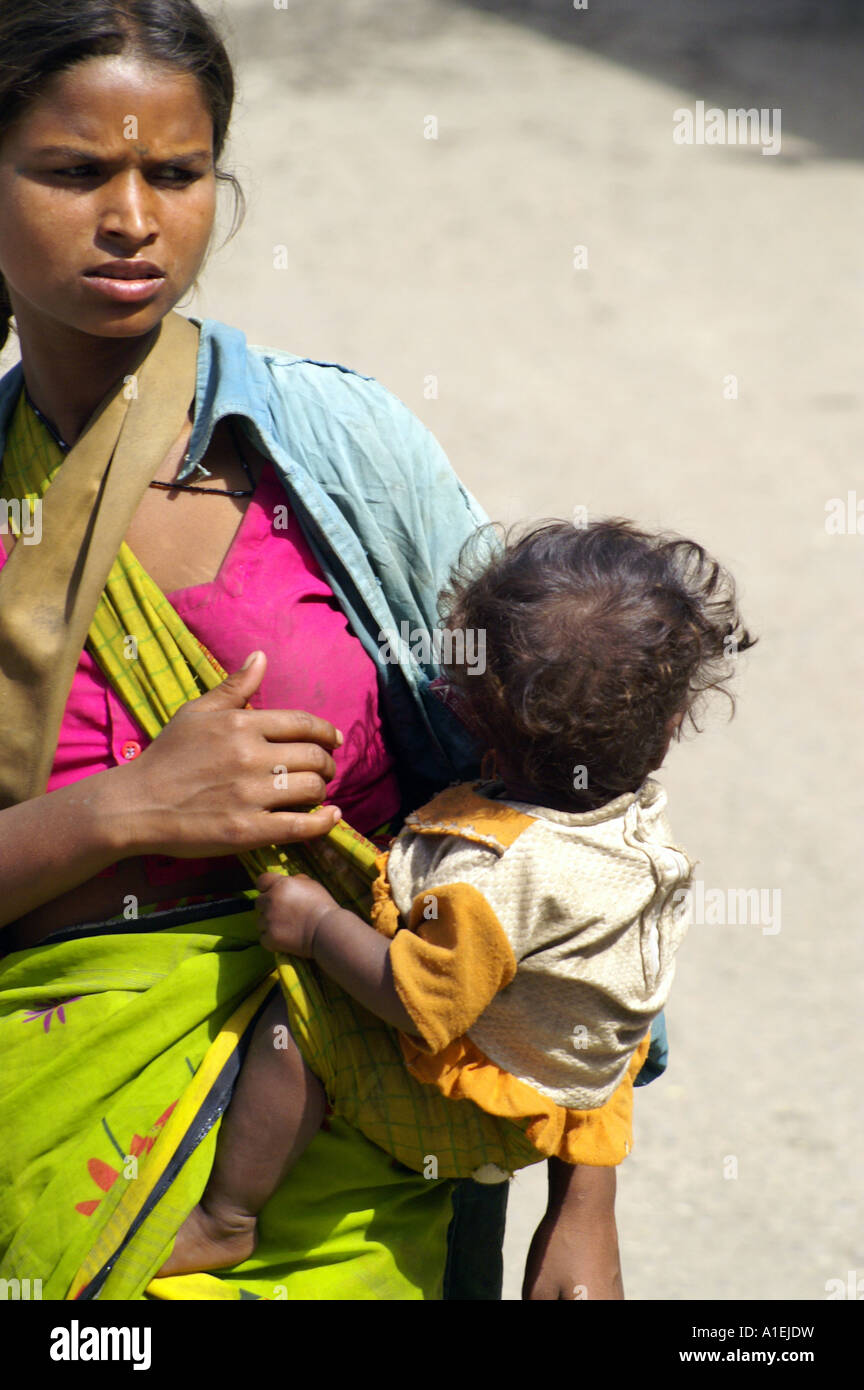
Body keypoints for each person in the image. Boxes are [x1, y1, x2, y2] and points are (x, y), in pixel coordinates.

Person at [0, 0, 668, 1301]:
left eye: (176, 174)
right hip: (55, 1140)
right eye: (76, 171)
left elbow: (573, 813)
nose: (133, 216)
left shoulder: (342, 453)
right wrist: (123, 811)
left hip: (363, 1133)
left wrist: (585, 1194)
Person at [160, 517, 754, 1279]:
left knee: (301, 1026)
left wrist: (316, 926)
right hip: (568, 1083)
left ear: (476, 725)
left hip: (474, 1107)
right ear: (667, 733)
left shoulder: (491, 878)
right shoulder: (632, 828)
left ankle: (228, 1218)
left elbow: (415, 1003)